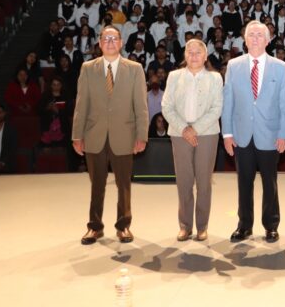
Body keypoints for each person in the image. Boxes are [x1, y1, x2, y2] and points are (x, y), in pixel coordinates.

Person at [72, 26, 148, 245]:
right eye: (106, 38)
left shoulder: (135, 69)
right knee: (97, 183)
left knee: (124, 184)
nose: (110, 42)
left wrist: (141, 135)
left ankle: (123, 226)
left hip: (124, 134)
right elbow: (81, 103)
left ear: (121, 42)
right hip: (94, 134)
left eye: (114, 38)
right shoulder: (88, 68)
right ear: (99, 42)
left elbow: (141, 106)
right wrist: (77, 135)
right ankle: (94, 227)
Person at [222, 21, 285, 244]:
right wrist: (227, 134)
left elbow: (284, 105)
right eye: (251, 34)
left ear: (268, 40)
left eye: (260, 35)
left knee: (270, 183)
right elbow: (228, 101)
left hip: (270, 135)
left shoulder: (281, 68)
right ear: (244, 39)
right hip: (241, 135)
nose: (254, 38)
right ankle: (244, 226)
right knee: (244, 183)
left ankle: (271, 225)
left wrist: (283, 134)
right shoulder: (233, 65)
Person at [161, 39, 224, 242]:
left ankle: (202, 226)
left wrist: (194, 129)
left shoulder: (215, 78)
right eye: (190, 52)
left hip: (206, 134)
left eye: (198, 52)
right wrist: (184, 129)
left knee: (204, 182)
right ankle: (185, 226)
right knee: (184, 182)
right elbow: (167, 106)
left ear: (205, 56)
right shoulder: (174, 76)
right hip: (180, 135)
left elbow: (217, 108)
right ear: (184, 55)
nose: (194, 55)